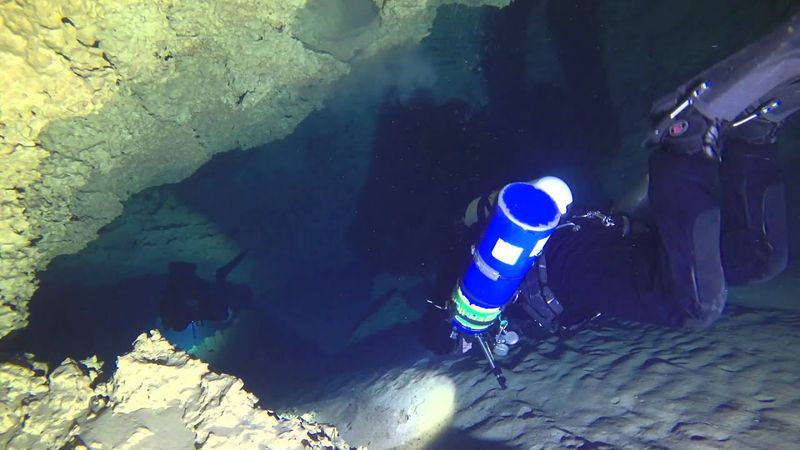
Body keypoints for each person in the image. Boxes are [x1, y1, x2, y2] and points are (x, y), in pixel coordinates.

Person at [424, 14, 799, 353]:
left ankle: (683, 139)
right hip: (603, 233)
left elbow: (441, 335)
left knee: (693, 306)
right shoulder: (522, 159)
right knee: (756, 257)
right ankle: (753, 137)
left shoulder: (462, 267)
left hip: (562, 270)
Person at [159, 250, 253, 332]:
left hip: (203, 297)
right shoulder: (216, 308)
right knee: (221, 309)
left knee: (220, 308)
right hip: (205, 298)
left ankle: (218, 277)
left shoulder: (180, 307)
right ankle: (218, 278)